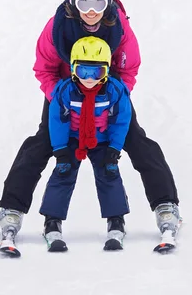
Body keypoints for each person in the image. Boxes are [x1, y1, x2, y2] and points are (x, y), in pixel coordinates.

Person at [0, 0, 180, 251]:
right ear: (72, 3)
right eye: (84, 4)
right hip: (65, 92)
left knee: (137, 142)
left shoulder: (120, 27)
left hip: (109, 91)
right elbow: (43, 68)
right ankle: (12, 209)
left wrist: (114, 97)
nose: (91, 12)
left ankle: (166, 206)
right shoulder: (56, 27)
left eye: (98, 4)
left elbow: (129, 67)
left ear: (109, 3)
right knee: (41, 144)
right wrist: (60, 97)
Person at [40, 36, 131, 252]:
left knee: (109, 173)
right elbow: (58, 120)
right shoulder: (65, 90)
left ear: (107, 70)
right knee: (63, 172)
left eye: (96, 73)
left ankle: (116, 220)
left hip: (102, 140)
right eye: (83, 72)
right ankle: (52, 221)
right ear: (72, 69)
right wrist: (60, 150)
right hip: (72, 139)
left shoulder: (115, 91)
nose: (89, 79)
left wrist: (114, 148)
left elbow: (121, 119)